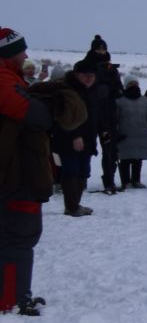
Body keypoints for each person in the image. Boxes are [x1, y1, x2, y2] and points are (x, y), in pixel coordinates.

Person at [1, 28, 86, 315]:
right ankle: (10, 301)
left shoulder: (12, 81)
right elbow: (36, 116)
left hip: (18, 174)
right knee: (18, 237)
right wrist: (48, 99)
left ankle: (13, 295)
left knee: (16, 237)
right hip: (16, 176)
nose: (26, 56)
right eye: (20, 51)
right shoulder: (3, 82)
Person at [53, 59, 100, 215]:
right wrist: (75, 136)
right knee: (71, 171)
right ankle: (71, 206)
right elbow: (64, 117)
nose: (89, 78)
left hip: (87, 139)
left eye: (92, 75)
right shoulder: (68, 92)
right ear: (76, 75)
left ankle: (76, 204)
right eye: (85, 75)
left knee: (83, 171)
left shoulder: (90, 92)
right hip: (70, 139)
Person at [83, 37, 124, 194]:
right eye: (98, 49)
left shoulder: (111, 68)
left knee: (110, 149)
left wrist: (116, 91)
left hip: (108, 112)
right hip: (90, 112)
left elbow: (118, 88)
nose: (101, 51)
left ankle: (109, 180)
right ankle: (80, 180)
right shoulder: (86, 66)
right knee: (86, 147)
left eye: (103, 49)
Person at [114, 78, 147, 189]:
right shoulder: (120, 100)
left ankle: (136, 180)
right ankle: (125, 181)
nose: (133, 85)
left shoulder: (144, 100)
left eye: (135, 83)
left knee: (138, 159)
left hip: (141, 134)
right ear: (126, 86)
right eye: (131, 83)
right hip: (125, 134)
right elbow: (114, 118)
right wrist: (116, 130)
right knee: (125, 160)